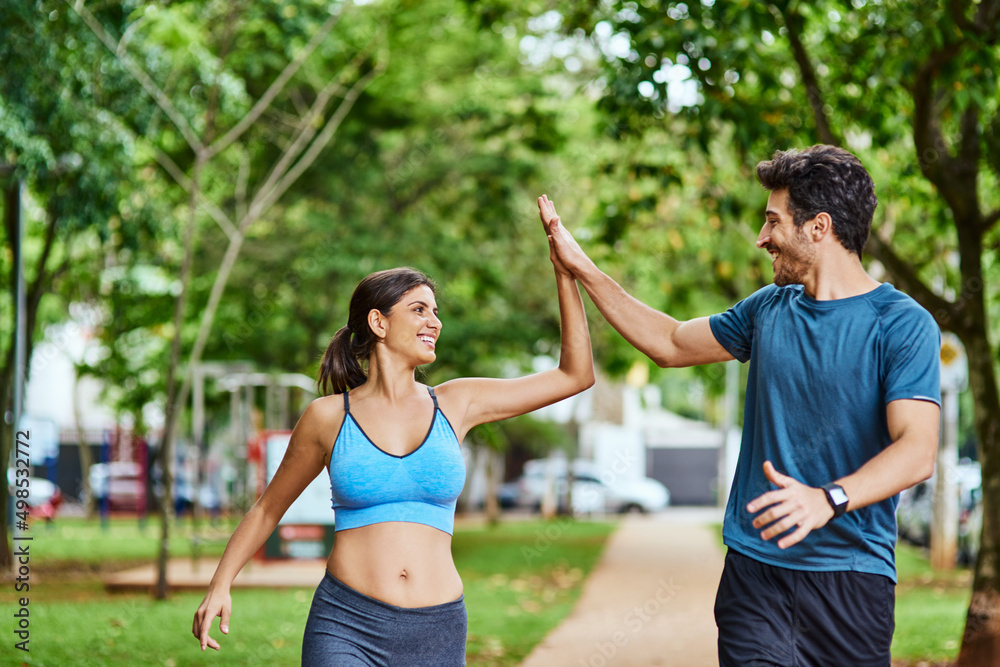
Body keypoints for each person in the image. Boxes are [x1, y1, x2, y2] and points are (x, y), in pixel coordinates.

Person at [542, 145, 940, 666]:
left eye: (773, 221)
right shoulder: (767, 309)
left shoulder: (901, 324)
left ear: (818, 227)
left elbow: (917, 450)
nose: (761, 238)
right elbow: (669, 343)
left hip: (851, 577)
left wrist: (827, 500)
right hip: (755, 575)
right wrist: (581, 266)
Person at [192, 195, 594, 666]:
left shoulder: (458, 403)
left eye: (435, 311)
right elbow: (266, 509)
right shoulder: (328, 417)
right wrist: (220, 583)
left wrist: (566, 271)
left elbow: (575, 375)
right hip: (346, 624)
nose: (435, 322)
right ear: (379, 322)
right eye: (419, 309)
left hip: (437, 630)